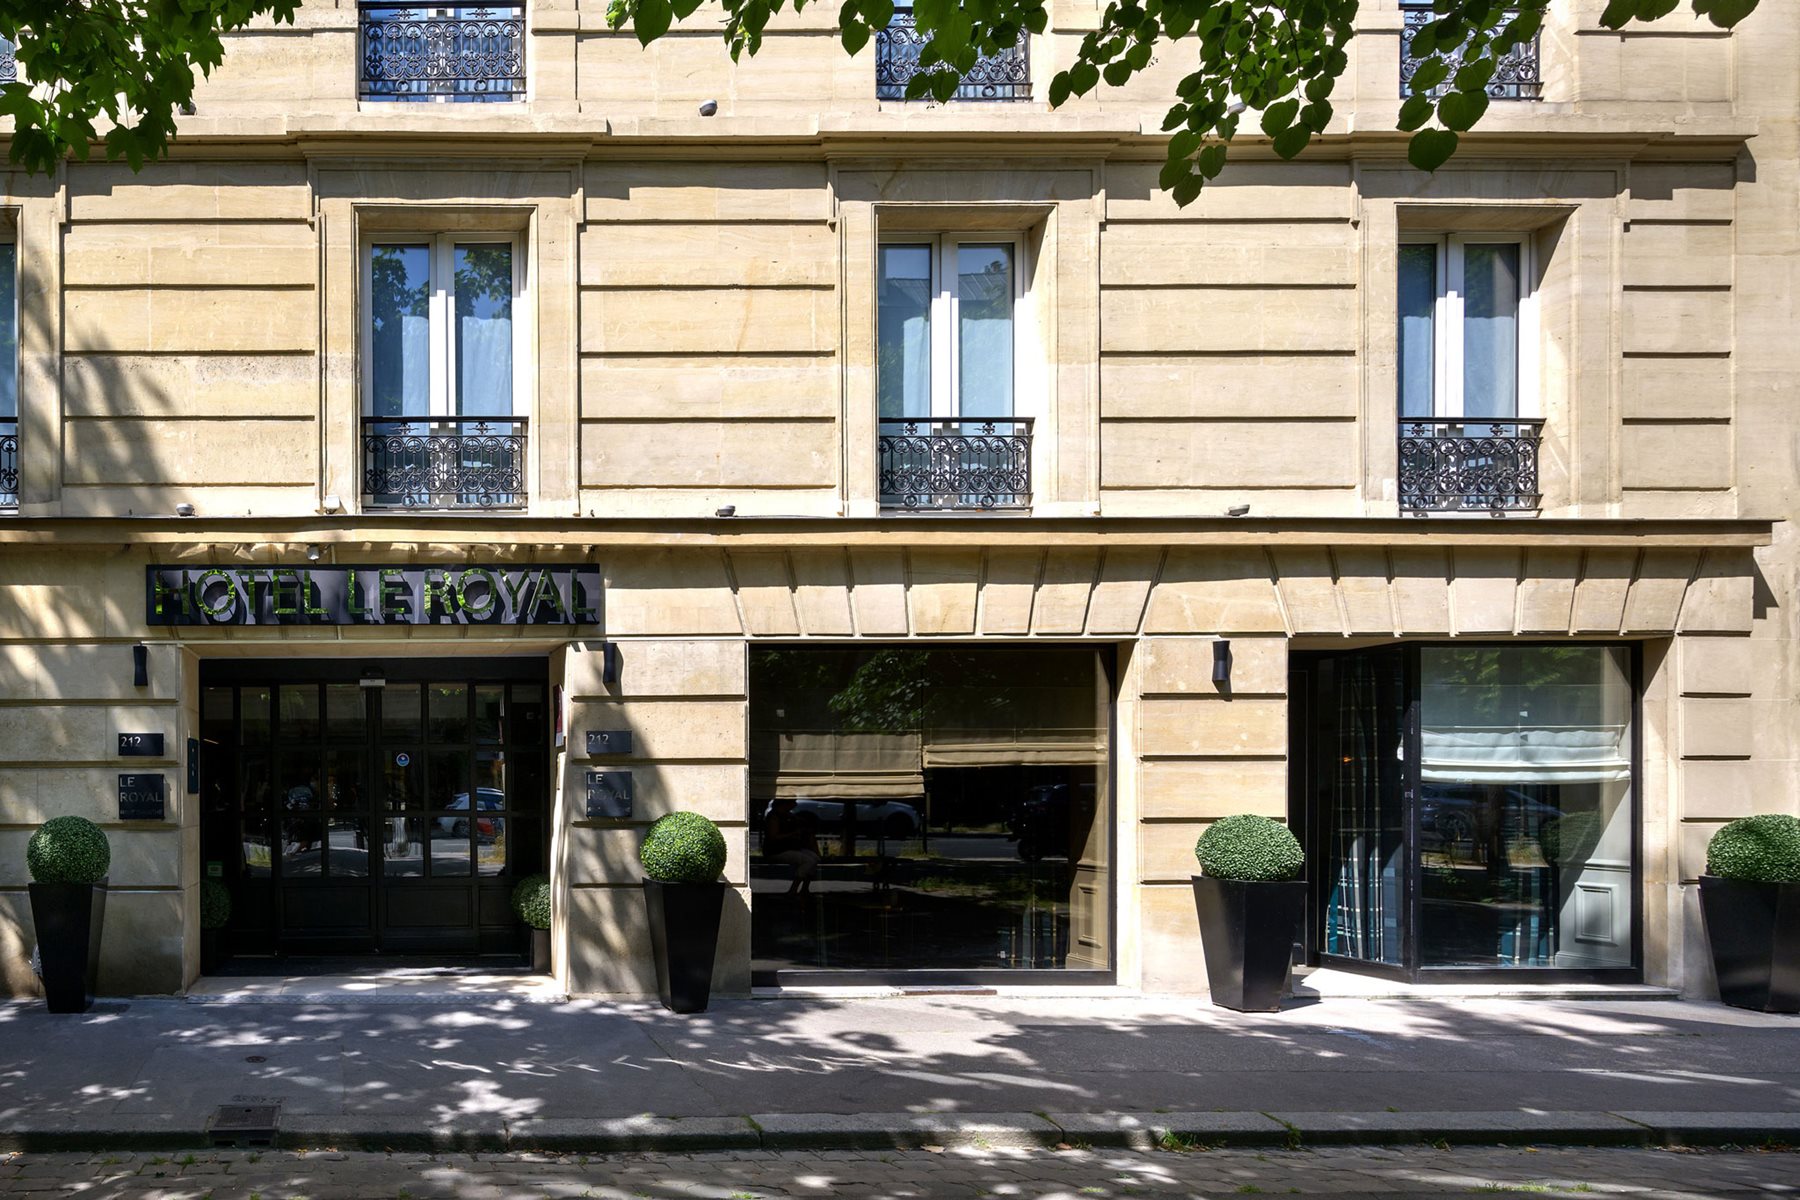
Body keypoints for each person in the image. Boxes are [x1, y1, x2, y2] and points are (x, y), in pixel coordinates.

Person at [762, 797, 820, 896]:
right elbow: (773, 836)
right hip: (777, 851)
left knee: (815, 858)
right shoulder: (774, 817)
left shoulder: (788, 815)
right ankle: (793, 889)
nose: (795, 804)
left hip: (789, 848)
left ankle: (805, 888)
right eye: (793, 801)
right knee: (808, 861)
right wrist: (792, 834)